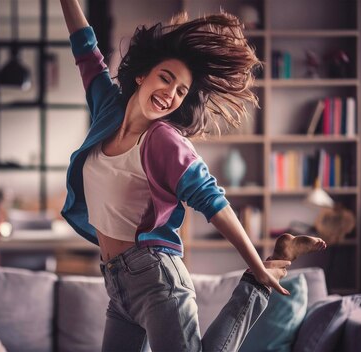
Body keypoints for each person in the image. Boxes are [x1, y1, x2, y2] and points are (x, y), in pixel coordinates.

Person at [58, 1, 327, 351]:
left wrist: (257, 265)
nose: (169, 94)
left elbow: (213, 201)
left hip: (156, 279)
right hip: (117, 282)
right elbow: (85, 48)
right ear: (142, 74)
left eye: (180, 91)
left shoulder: (165, 140)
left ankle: (262, 278)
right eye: (165, 78)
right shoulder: (108, 107)